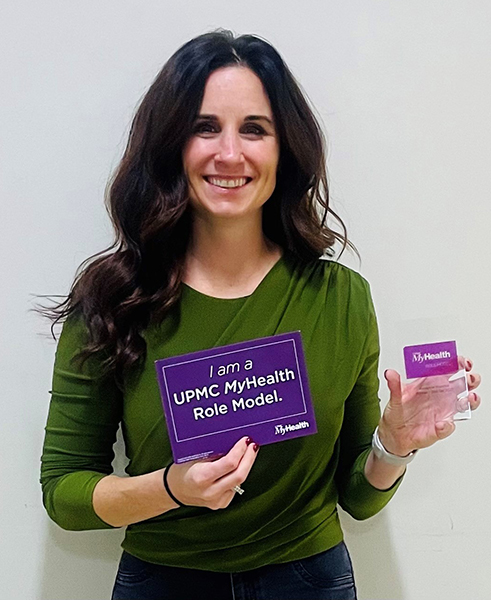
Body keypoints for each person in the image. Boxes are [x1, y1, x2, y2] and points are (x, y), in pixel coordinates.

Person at [40, 30, 482, 600]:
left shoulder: (340, 297)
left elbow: (358, 497)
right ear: (172, 143)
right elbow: (63, 493)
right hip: (163, 582)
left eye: (254, 129)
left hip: (309, 579)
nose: (230, 153)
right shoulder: (113, 298)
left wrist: (394, 443)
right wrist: (172, 488)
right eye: (205, 127)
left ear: (284, 148)